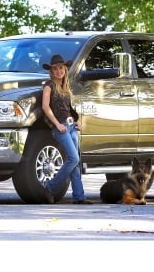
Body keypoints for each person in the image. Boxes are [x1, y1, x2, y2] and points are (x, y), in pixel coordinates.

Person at [41, 54, 92, 204]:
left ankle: (79, 196)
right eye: (55, 69)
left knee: (76, 162)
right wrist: (57, 124)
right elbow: (45, 107)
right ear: (52, 71)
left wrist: (77, 121)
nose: (58, 71)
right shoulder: (48, 86)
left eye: (61, 68)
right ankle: (50, 187)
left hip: (71, 126)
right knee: (73, 158)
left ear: (65, 69)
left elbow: (68, 108)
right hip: (61, 127)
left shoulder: (65, 87)